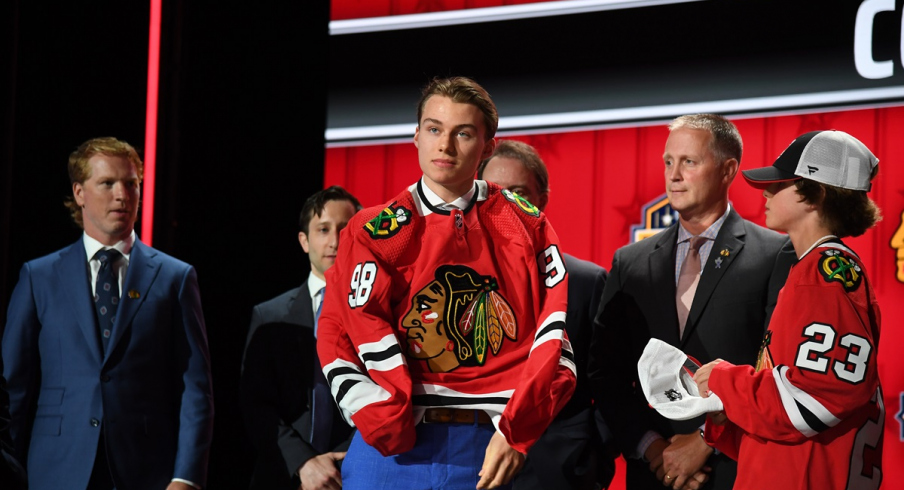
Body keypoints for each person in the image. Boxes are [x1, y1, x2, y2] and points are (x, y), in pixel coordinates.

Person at [315, 76, 576, 490]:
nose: (445, 146)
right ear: (416, 136)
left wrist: (517, 432)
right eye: (434, 130)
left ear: (488, 147)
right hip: (390, 449)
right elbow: (335, 331)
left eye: (463, 134)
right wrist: (376, 413)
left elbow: (555, 340)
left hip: (488, 446)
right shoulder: (372, 230)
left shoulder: (525, 225)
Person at [589, 114, 795, 490]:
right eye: (668, 161)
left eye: (689, 162)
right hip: (654, 473)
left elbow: (774, 369)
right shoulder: (630, 262)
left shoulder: (774, 253)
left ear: (728, 170)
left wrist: (705, 441)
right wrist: (653, 450)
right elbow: (606, 373)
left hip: (735, 467)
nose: (673, 175)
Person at [2, 137, 214, 490]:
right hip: (56, 470)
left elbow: (195, 389)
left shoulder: (175, 278)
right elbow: (12, 390)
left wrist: (186, 477)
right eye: (108, 183)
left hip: (146, 471)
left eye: (131, 184)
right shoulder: (38, 277)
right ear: (80, 192)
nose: (122, 195)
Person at [694, 130, 884, 489]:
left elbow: (814, 401)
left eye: (780, 184)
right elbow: (791, 418)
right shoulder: (814, 268)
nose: (766, 193)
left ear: (815, 194)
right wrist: (729, 414)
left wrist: (724, 378)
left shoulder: (825, 273)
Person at [477, 140, 615, 490]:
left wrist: (590, 456)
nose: (503, 203)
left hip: (559, 472)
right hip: (470, 468)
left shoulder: (586, 281)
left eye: (518, 192)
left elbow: (611, 381)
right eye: (492, 191)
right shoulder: (455, 284)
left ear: (542, 200)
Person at [240, 185, 360, 490]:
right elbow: (255, 404)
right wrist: (303, 463)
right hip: (283, 475)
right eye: (323, 229)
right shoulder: (270, 315)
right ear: (304, 241)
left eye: (345, 229)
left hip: (355, 471)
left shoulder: (380, 313)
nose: (334, 240)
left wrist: (346, 459)